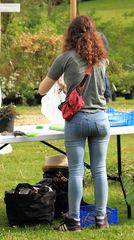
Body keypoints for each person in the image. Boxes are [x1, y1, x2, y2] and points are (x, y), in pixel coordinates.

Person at [39, 15, 111, 231]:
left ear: (71, 34)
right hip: (100, 120)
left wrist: (61, 81)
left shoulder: (65, 58)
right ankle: (101, 219)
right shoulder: (102, 61)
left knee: (77, 171)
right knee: (99, 170)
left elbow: (43, 89)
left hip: (77, 120)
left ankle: (73, 221)